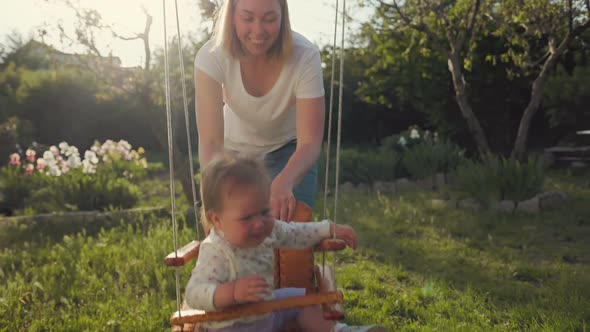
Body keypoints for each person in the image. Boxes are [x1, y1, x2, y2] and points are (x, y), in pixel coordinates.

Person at [185, 152, 387, 332]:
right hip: (229, 325)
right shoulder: (216, 251)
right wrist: (231, 293)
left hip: (266, 312)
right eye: (246, 218)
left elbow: (296, 233)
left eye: (265, 212)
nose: (258, 224)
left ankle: (338, 330)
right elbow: (194, 293)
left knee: (301, 301)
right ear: (216, 220)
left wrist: (329, 228)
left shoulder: (268, 229)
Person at [194, 0, 325, 223]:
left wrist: (284, 182)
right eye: (247, 18)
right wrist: (211, 200)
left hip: (290, 151)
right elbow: (211, 143)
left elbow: (309, 143)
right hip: (233, 155)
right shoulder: (211, 56)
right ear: (232, 15)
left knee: (292, 245)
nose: (258, 31)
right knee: (238, 235)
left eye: (269, 19)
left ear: (283, 16)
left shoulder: (305, 56)